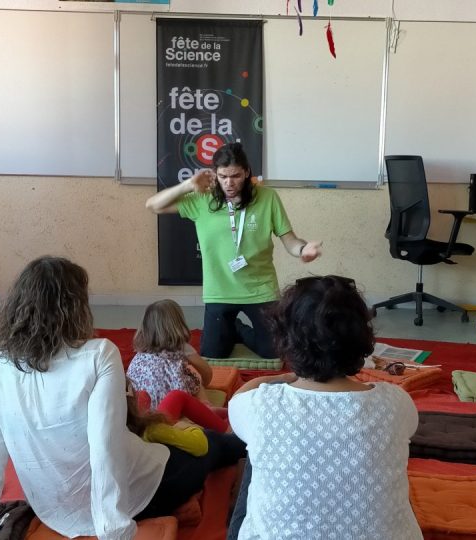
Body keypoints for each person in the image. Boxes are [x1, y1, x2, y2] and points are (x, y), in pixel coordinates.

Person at [0, 256, 245, 540]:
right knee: (211, 446)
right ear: (74, 309)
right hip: (131, 497)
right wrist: (113, 527)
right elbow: (105, 447)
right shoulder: (98, 355)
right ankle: (243, 443)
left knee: (161, 439)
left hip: (52, 510)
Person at [226, 275, 422, 540]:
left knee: (256, 451)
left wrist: (283, 378)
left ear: (285, 338)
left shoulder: (260, 406)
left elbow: (236, 400)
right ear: (363, 338)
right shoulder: (397, 403)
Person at [145, 142, 322, 359]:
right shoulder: (203, 198)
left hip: (260, 289)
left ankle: (238, 329)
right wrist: (188, 185)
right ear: (215, 175)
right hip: (219, 291)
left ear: (247, 172)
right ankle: (232, 327)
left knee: (274, 354)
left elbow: (290, 240)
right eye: (222, 176)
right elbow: (153, 205)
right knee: (213, 354)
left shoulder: (268, 197)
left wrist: (303, 249)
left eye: (236, 176)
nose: (229, 183)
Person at [127, 299, 229, 432]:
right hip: (171, 404)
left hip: (139, 405)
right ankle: (206, 406)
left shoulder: (141, 351)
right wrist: (202, 382)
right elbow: (206, 372)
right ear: (178, 324)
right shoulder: (181, 347)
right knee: (194, 377)